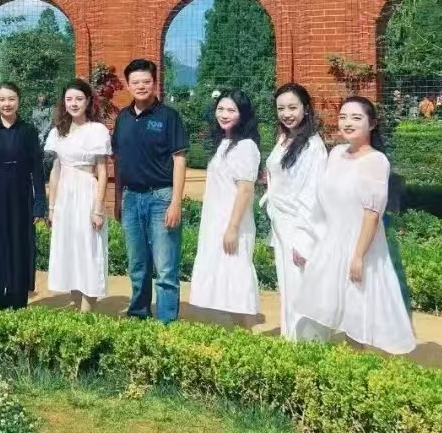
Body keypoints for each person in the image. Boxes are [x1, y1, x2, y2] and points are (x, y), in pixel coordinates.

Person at [295, 97, 416, 354]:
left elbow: (372, 214)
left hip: (361, 247)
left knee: (357, 313)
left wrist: (359, 256)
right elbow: (322, 203)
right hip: (331, 244)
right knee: (319, 309)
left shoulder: (377, 161)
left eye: (356, 118)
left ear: (372, 123)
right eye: (343, 117)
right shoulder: (335, 154)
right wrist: (311, 241)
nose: (347, 123)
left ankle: (354, 364)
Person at [111, 59, 188, 323]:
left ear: (154, 83)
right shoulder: (122, 118)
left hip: (161, 197)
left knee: (165, 268)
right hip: (131, 198)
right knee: (137, 265)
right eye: (136, 82)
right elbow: (118, 161)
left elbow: (179, 160)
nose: (141, 86)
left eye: (146, 81)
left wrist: (175, 203)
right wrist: (118, 200)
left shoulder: (169, 117)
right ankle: (138, 315)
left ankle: (166, 323)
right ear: (128, 85)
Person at [0, 82, 48, 310]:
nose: (7, 104)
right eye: (2, 99)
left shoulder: (28, 131)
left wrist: (39, 203)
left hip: (20, 195)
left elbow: (37, 169)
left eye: (11, 99)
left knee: (19, 243)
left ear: (19, 101)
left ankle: (17, 298)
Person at [260, 83, 327, 340]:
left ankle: (305, 346)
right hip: (281, 225)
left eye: (292, 107)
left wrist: (305, 240)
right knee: (288, 287)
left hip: (299, 228)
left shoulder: (312, 146)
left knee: (301, 289)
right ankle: (291, 342)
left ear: (305, 109)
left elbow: (313, 195)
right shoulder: (284, 139)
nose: (286, 114)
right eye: (281, 108)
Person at [188, 90, 262, 322]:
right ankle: (233, 331)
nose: (224, 114)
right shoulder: (224, 143)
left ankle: (243, 331)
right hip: (216, 220)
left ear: (243, 114)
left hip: (232, 222)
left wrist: (232, 227)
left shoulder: (246, 146)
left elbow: (245, 189)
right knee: (223, 277)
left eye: (231, 110)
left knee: (235, 275)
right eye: (220, 109)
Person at [46, 79, 112, 312]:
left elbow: (103, 172)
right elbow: (55, 170)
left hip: (86, 192)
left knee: (88, 248)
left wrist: (98, 209)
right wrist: (52, 207)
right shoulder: (58, 132)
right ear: (63, 103)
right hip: (64, 196)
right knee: (68, 248)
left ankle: (86, 312)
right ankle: (76, 307)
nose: (74, 103)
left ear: (88, 101)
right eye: (69, 99)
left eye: (79, 99)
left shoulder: (97, 130)